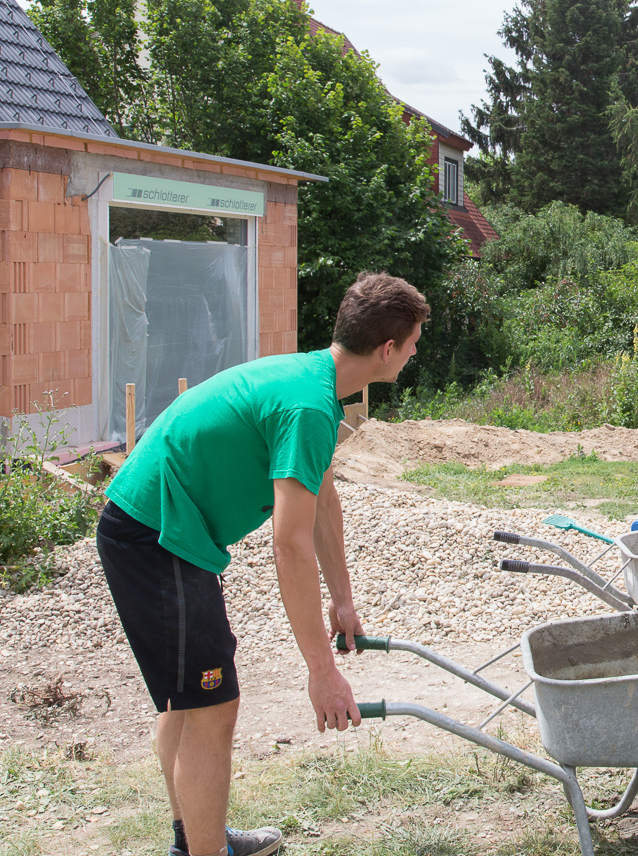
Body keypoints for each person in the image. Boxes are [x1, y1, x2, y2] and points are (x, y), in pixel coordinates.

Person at [97, 272, 430, 856]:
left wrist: (343, 598)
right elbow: (289, 543)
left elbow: (324, 500)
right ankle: (203, 847)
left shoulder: (316, 387)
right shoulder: (308, 405)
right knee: (211, 704)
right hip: (155, 535)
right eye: (414, 342)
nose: (414, 352)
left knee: (191, 700)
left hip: (170, 532)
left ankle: (196, 838)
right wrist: (321, 670)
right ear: (388, 349)